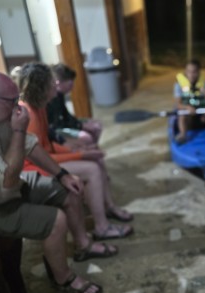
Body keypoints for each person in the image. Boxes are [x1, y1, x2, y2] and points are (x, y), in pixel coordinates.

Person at [0, 70, 110, 293]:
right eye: (11, 100)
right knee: (56, 221)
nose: (17, 105)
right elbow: (6, 180)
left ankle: (83, 245)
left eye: (17, 98)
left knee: (71, 188)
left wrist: (62, 175)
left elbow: (31, 146)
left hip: (15, 184)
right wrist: (18, 129)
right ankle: (63, 280)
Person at [18, 63, 134, 241]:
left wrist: (73, 149)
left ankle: (108, 207)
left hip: (46, 161)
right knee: (92, 169)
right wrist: (81, 154)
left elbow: (47, 145)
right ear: (40, 88)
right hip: (34, 169)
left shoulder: (38, 107)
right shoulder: (29, 114)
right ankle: (102, 227)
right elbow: (40, 157)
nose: (55, 87)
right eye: (51, 83)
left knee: (97, 161)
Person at [47, 63, 102, 149]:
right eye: (70, 84)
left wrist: (80, 124)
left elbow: (65, 115)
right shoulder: (50, 98)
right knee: (86, 137)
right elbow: (57, 123)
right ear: (58, 82)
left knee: (97, 125)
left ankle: (93, 149)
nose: (72, 87)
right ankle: (89, 150)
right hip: (56, 129)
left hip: (62, 124)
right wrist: (80, 126)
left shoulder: (59, 95)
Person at [174, 59, 205, 144]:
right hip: (188, 112)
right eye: (189, 71)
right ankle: (182, 135)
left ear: (198, 72)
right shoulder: (178, 86)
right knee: (181, 114)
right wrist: (187, 107)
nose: (191, 75)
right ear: (185, 72)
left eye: (194, 72)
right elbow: (178, 105)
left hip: (202, 111)